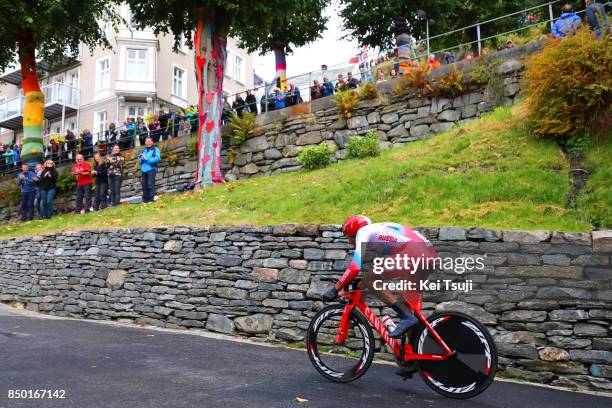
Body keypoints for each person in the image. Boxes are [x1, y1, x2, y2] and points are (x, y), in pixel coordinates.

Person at [323, 216, 436, 339]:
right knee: (410, 308)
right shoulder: (378, 230)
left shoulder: (363, 232)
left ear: (353, 234)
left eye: (347, 238)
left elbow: (355, 266)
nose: (348, 242)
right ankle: (414, 351)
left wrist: (335, 289)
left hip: (413, 252)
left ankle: (406, 317)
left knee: (371, 281)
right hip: (428, 255)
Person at [138, 136, 161, 203]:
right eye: (147, 141)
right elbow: (139, 159)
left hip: (151, 169)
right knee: (144, 185)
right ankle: (145, 200)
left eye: (149, 141)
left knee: (150, 184)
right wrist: (141, 159)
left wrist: (147, 159)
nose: (148, 143)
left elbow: (157, 158)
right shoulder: (143, 150)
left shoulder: (155, 149)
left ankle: (151, 199)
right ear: (145, 142)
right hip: (144, 169)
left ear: (152, 142)